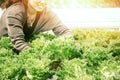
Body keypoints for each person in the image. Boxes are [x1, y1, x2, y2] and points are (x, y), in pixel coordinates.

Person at [0, 0, 71, 52]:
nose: (43, 2)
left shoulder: (46, 12)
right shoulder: (15, 11)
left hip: (21, 50)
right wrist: (39, 57)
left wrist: (63, 45)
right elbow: (18, 42)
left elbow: (64, 31)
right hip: (4, 49)